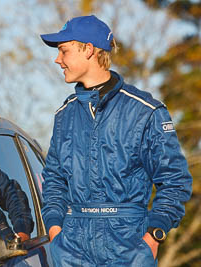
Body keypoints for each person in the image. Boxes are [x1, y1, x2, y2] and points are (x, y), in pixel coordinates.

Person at [40, 15, 192, 266]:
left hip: (129, 248)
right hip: (70, 249)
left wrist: (153, 236)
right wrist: (56, 231)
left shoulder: (146, 111)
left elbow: (175, 181)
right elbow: (54, 180)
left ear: (88, 50)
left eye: (63, 51)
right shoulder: (64, 115)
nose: (58, 60)